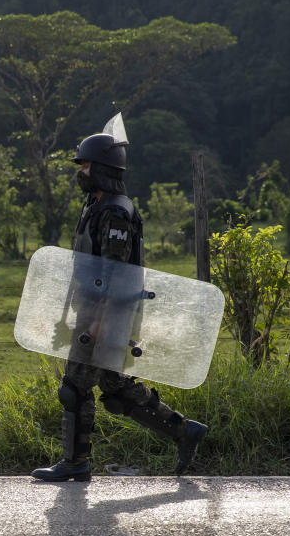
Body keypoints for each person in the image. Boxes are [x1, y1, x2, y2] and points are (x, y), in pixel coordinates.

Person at [31, 123, 208, 482]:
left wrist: (98, 322)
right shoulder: (95, 205)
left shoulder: (116, 212)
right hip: (95, 312)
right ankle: (185, 431)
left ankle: (76, 462)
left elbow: (112, 272)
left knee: (75, 387)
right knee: (115, 389)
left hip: (109, 314)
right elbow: (86, 266)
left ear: (104, 169)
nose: (81, 172)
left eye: (86, 166)